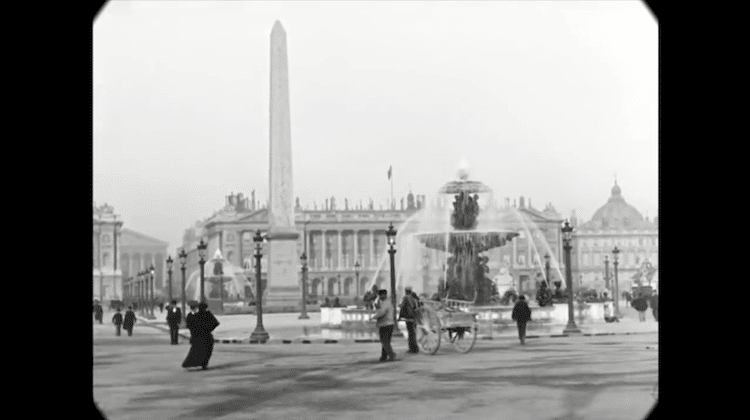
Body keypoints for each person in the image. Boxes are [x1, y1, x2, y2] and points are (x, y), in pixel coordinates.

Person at [182, 302, 220, 370]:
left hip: (197, 337)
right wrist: (209, 329)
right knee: (207, 352)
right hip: (207, 337)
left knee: (195, 352)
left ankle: (190, 363)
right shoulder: (208, 314)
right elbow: (215, 323)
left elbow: (189, 324)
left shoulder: (195, 315)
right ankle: (204, 364)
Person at [370, 289, 396, 362]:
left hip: (385, 324)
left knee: (384, 341)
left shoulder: (385, 303)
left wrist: (374, 317)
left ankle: (391, 354)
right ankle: (384, 356)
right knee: (386, 341)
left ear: (383, 295)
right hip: (389, 324)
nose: (379, 297)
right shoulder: (388, 302)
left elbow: (382, 312)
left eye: (380, 295)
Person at [399, 286, 419, 354]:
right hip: (414, 317)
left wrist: (400, 316)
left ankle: (412, 348)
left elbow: (402, 306)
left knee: (410, 334)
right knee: (413, 333)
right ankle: (415, 348)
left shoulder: (406, 298)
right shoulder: (414, 298)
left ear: (406, 291)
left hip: (409, 317)